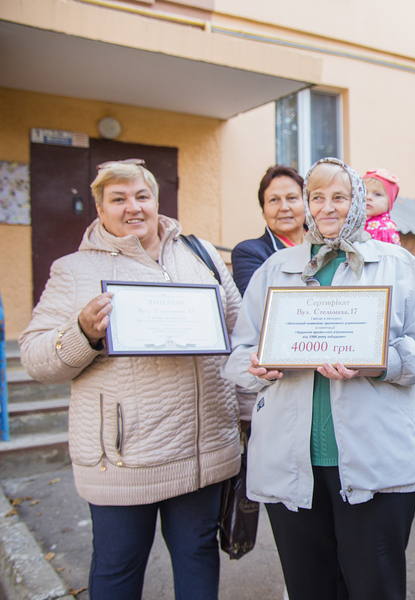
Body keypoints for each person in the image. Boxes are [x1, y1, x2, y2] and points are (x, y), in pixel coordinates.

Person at [222, 157, 415, 600]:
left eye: (339, 197)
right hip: (293, 465)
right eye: (317, 197)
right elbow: (238, 354)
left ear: (358, 202)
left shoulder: (399, 266)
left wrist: (381, 363)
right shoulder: (276, 269)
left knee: (373, 589)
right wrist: (257, 367)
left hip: (375, 463)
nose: (327, 208)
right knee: (310, 589)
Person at [18, 159, 243, 600]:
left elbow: (241, 332)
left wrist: (250, 412)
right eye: (118, 199)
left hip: (202, 451)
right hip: (124, 460)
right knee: (118, 568)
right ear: (99, 210)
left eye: (141, 196)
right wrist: (82, 333)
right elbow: (35, 359)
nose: (132, 207)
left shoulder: (201, 255)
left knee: (199, 557)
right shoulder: (73, 270)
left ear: (157, 201)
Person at [231, 165, 306, 294]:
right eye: (274, 200)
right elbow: (259, 306)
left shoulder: (327, 246)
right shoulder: (248, 253)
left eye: (292, 198)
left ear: (307, 204)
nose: (284, 207)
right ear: (263, 211)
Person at [362, 168, 402, 245]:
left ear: (389, 202)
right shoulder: (355, 223)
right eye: (364, 192)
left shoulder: (385, 228)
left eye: (377, 194)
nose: (368, 197)